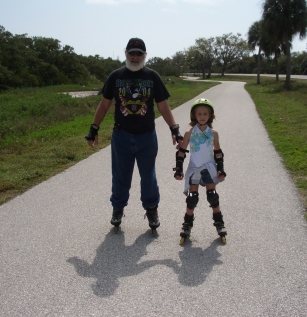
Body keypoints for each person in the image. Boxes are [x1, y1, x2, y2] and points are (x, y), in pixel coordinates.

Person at [85, 37, 183, 234]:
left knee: (149, 176)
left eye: (139, 54)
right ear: (126, 54)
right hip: (121, 136)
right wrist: (93, 128)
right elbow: (104, 104)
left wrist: (174, 129)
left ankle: (152, 210)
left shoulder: (153, 77)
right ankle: (118, 209)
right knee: (121, 176)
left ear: (145, 55)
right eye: (132, 53)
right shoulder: (115, 76)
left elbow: (162, 105)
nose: (135, 57)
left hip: (147, 136)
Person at [173, 98, 227, 244]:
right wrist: (178, 168)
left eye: (205, 114)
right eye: (199, 114)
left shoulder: (213, 133)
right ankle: (187, 225)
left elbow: (218, 152)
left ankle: (219, 223)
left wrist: (221, 168)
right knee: (192, 198)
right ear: (194, 115)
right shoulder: (189, 132)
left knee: (213, 195)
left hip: (209, 168)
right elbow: (182, 151)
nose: (202, 116)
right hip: (194, 168)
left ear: (210, 116)